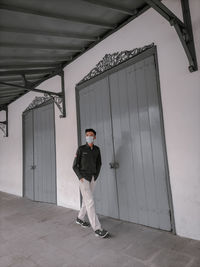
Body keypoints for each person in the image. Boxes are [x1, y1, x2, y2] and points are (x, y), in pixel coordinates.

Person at [73, 128, 109, 238]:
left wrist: (96, 176)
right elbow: (74, 166)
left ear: (94, 137)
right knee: (90, 202)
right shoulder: (81, 149)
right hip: (84, 179)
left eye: (91, 135)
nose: (89, 136)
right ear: (85, 136)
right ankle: (97, 228)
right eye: (87, 135)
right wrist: (80, 177)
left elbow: (99, 164)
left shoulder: (97, 149)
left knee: (86, 200)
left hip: (93, 178)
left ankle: (80, 218)